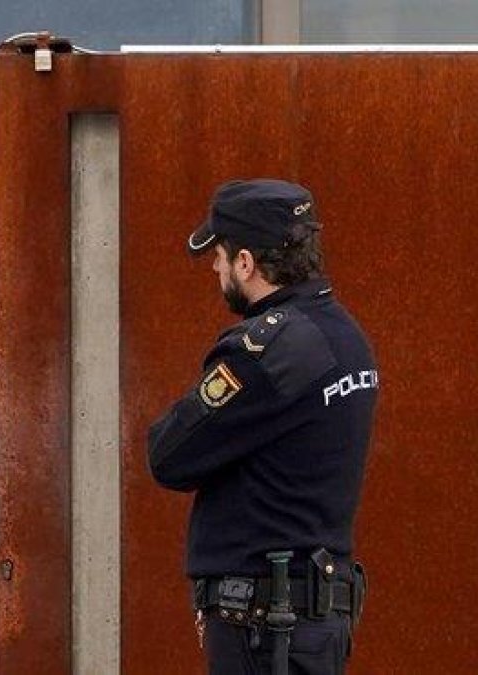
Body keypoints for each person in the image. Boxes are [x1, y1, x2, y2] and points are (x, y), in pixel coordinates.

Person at [146, 179, 378, 675]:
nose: (216, 266)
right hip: (312, 619)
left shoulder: (270, 352)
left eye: (222, 255)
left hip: (266, 628)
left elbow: (168, 456)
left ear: (247, 263)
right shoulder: (345, 335)